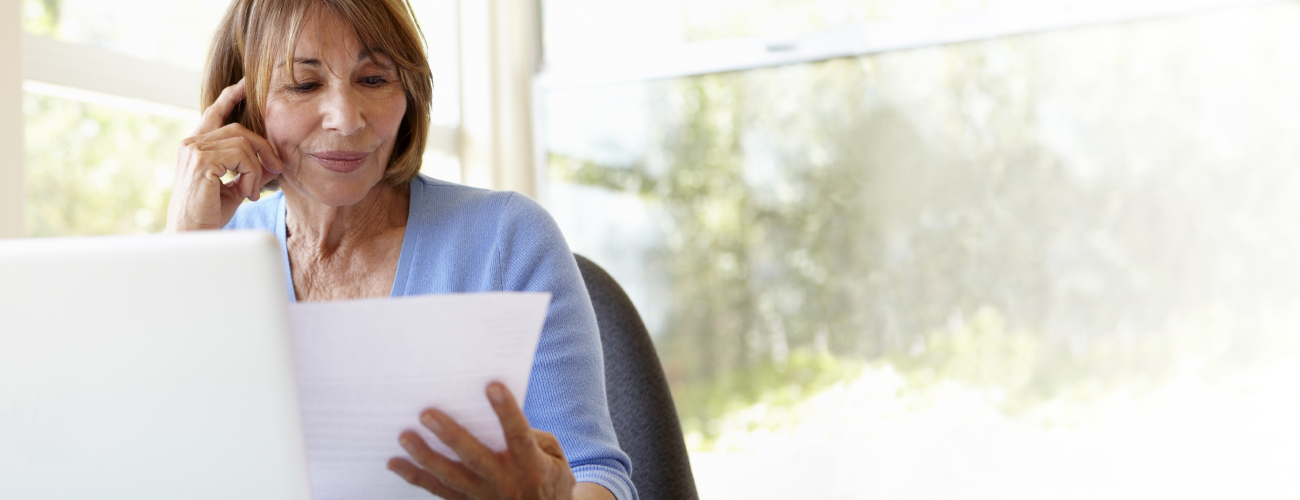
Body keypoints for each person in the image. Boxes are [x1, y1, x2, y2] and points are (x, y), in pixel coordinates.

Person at [164, 1, 635, 499]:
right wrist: (183, 250)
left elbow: (598, 478)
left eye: (373, 80)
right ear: (242, 106)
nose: (346, 119)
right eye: (304, 85)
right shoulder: (211, 251)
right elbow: (157, 459)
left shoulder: (509, 239)